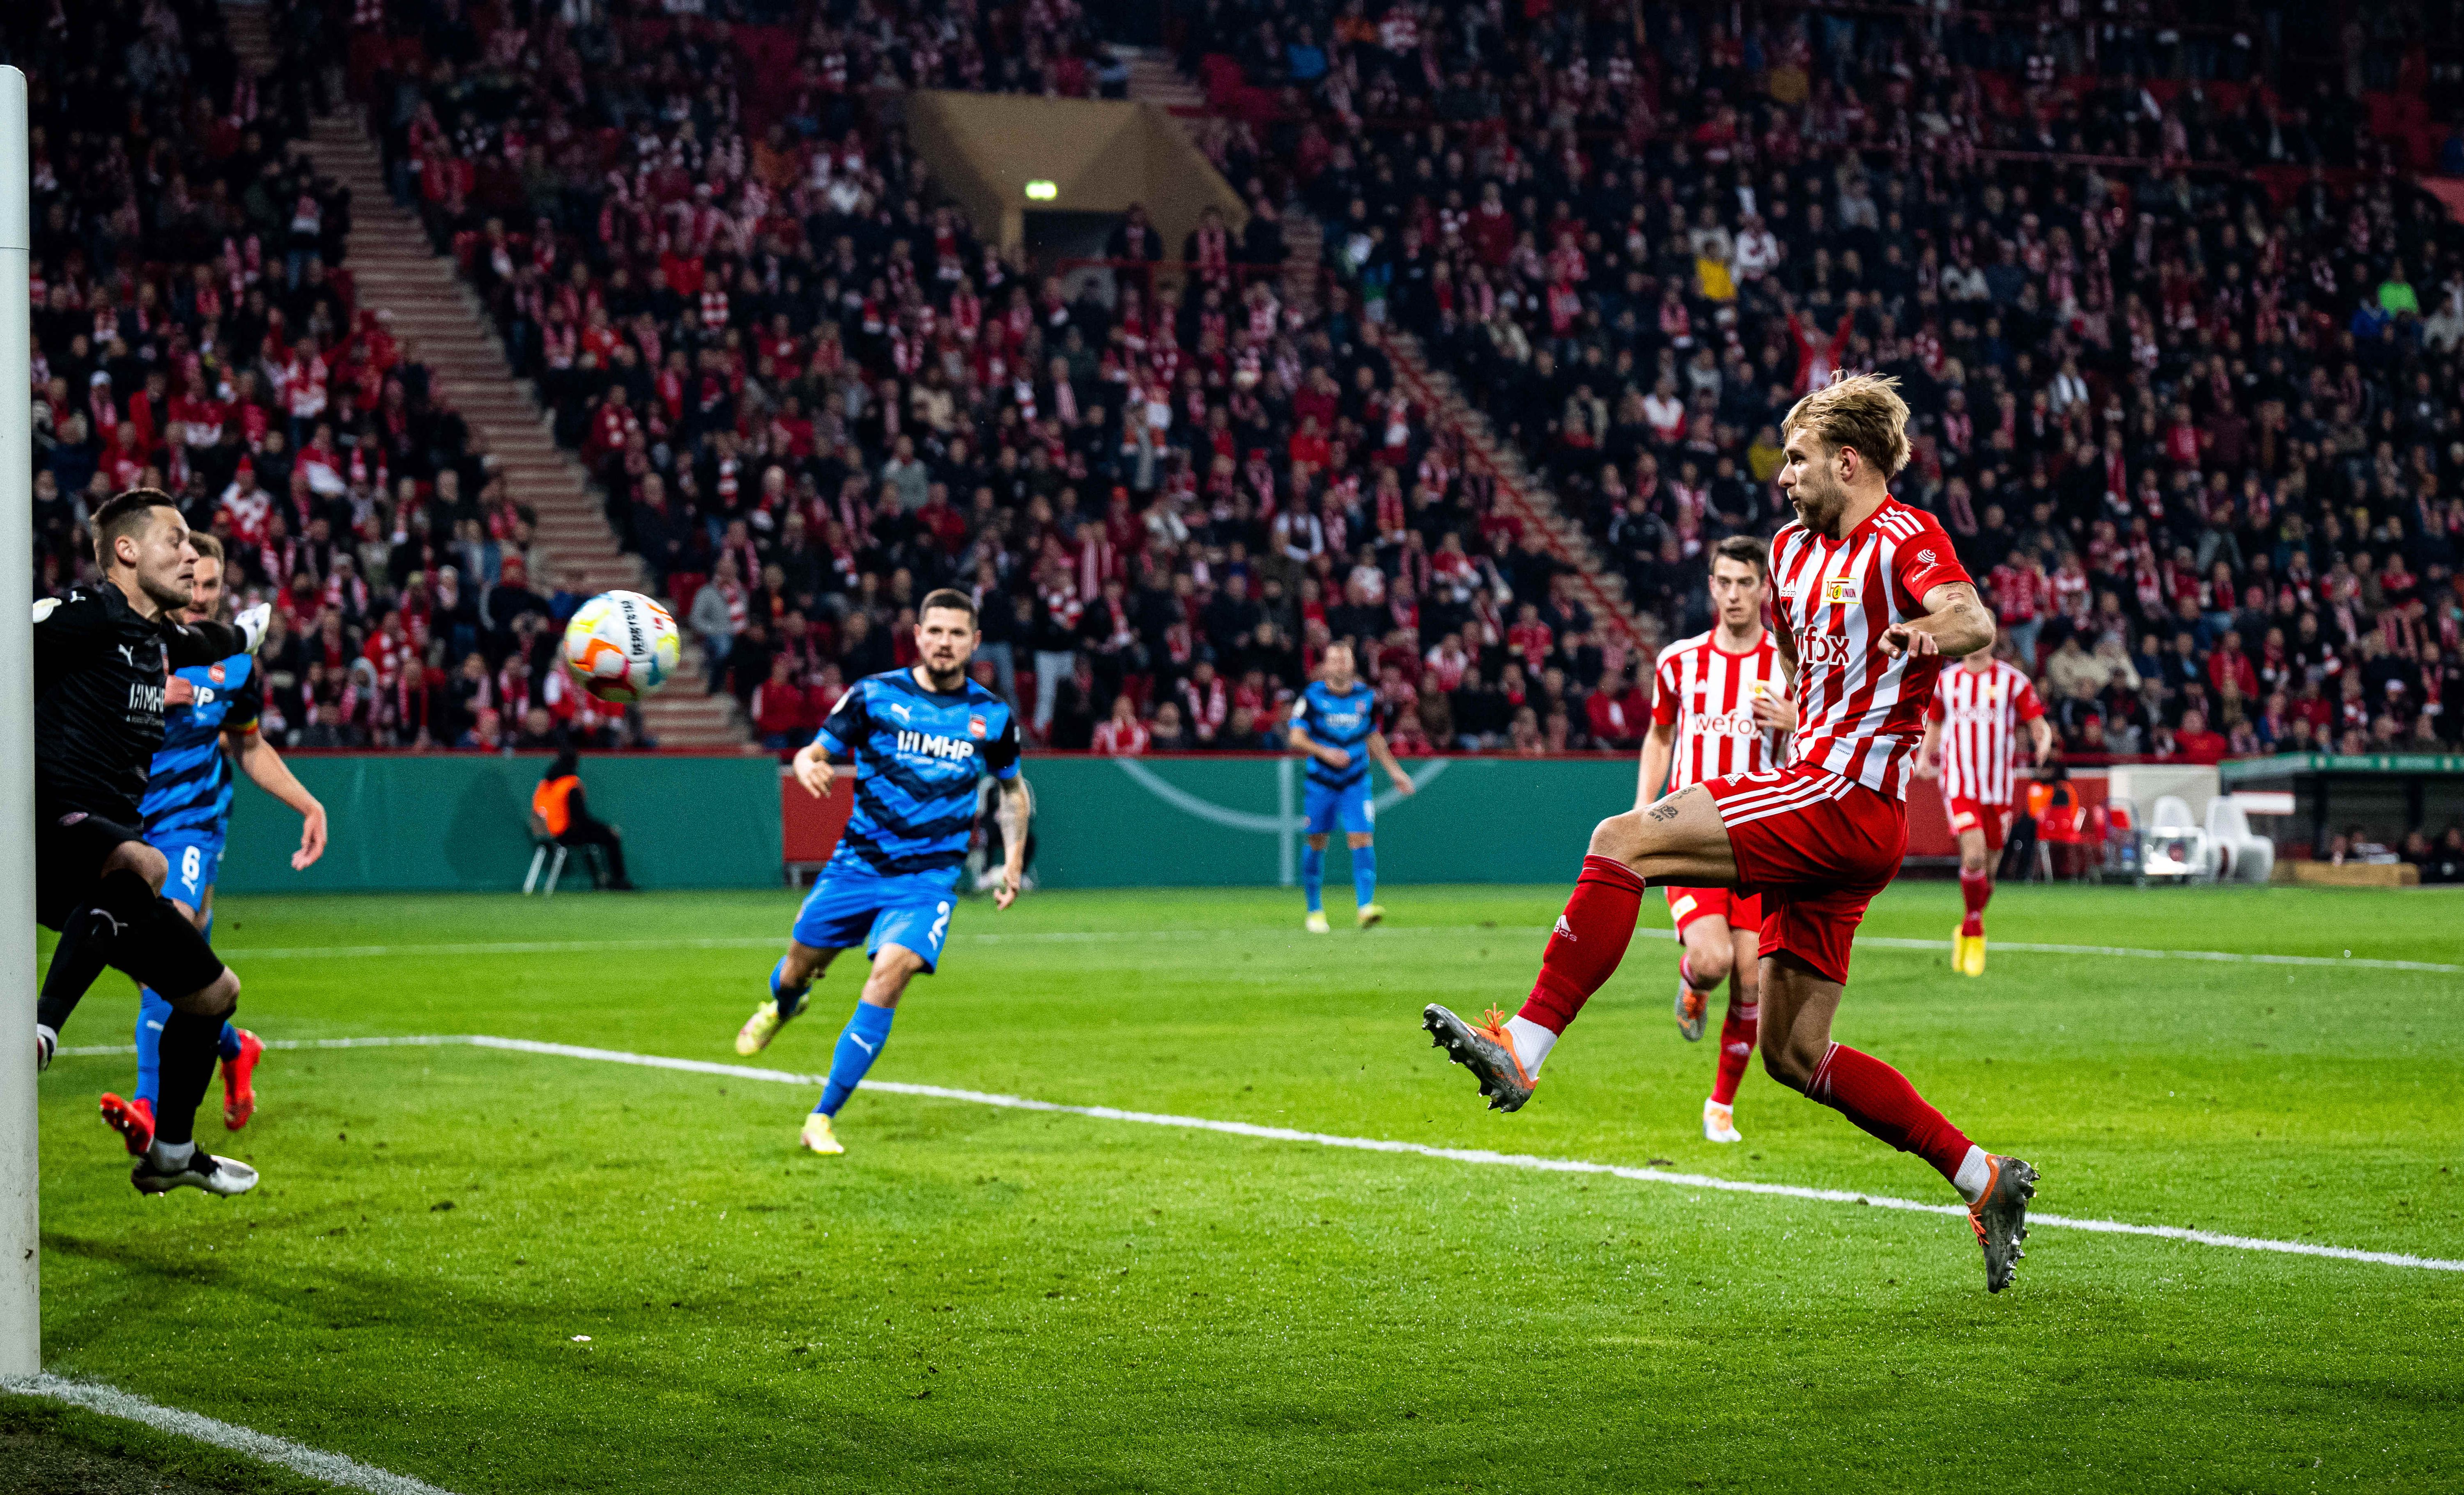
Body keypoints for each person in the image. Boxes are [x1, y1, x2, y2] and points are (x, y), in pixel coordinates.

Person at [1419, 377, 2038, 1293]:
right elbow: (1806, 652)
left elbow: (1972, 616)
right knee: (1794, 1054)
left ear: (1848, 461)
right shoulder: (1791, 551)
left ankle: (1527, 1048)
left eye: (1796, 459)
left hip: (1844, 798)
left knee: (1622, 837)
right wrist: (1802, 703)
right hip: (1824, 792)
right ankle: (1986, 1178)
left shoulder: (1904, 534)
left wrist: (1923, 632)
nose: (1782, 476)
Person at [731, 590, 1032, 1156]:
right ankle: (783, 1005)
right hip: (856, 869)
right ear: (918, 635)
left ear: (975, 642)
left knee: (891, 974)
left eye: (957, 633)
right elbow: (811, 753)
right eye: (936, 631)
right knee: (798, 967)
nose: (945, 642)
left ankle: (822, 1116)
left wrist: (1012, 862)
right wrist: (806, 767)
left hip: (926, 884)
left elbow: (1014, 789)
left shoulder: (992, 716)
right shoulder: (873, 694)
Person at [32, 488, 271, 1197]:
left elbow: (211, 641)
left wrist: (251, 634)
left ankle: (172, 1150)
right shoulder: (87, 612)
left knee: (213, 993)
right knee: (147, 860)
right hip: (45, 829)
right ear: (127, 552)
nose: (193, 556)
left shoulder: (155, 638)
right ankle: (41, 1032)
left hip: (100, 866)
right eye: (178, 541)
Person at [97, 534, 329, 1158]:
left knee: (167, 944)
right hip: (123, 827)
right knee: (171, 968)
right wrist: (141, 694)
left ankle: (148, 1108)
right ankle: (234, 1045)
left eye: (212, 589)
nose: (201, 598)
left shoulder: (234, 666)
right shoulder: (129, 644)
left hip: (189, 830)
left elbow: (249, 745)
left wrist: (308, 804)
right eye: (193, 584)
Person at [1637, 535, 1795, 1144]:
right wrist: (1642, 809)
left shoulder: (1788, 666)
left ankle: (1721, 1105)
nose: (1733, 595)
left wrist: (1794, 719)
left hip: (1761, 843)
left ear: (1764, 589)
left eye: (1745, 583)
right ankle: (1691, 982)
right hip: (1691, 838)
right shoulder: (1679, 662)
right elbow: (1658, 736)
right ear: (1712, 586)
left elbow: (1821, 742)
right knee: (1713, 963)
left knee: (1752, 978)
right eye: (1724, 583)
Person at [1917, 646, 2053, 976]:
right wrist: (1925, 757)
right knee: (1974, 856)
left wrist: (2043, 741)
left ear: (1990, 638)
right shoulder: (1946, 682)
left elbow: (2038, 723)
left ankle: (1968, 923)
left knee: (1990, 872)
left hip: (1998, 789)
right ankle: (1975, 934)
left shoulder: (2013, 681)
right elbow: (1934, 724)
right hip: (1959, 784)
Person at [1286, 640, 1416, 932]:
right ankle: (1315, 910)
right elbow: (1296, 737)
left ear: (1353, 664)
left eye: (1345, 659)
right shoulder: (1312, 697)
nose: (1340, 664)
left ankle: (1365, 906)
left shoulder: (1366, 697)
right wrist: (1325, 752)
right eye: (1335, 659)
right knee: (1317, 841)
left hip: (1356, 781)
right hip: (1322, 781)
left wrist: (1395, 771)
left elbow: (1373, 737)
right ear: (1326, 666)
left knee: (1362, 837)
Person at [530, 751, 637, 890]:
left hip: (544, 836)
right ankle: (619, 882)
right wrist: (606, 829)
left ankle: (602, 880)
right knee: (611, 838)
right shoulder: (570, 785)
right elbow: (581, 820)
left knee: (590, 839)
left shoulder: (544, 785)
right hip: (564, 835)